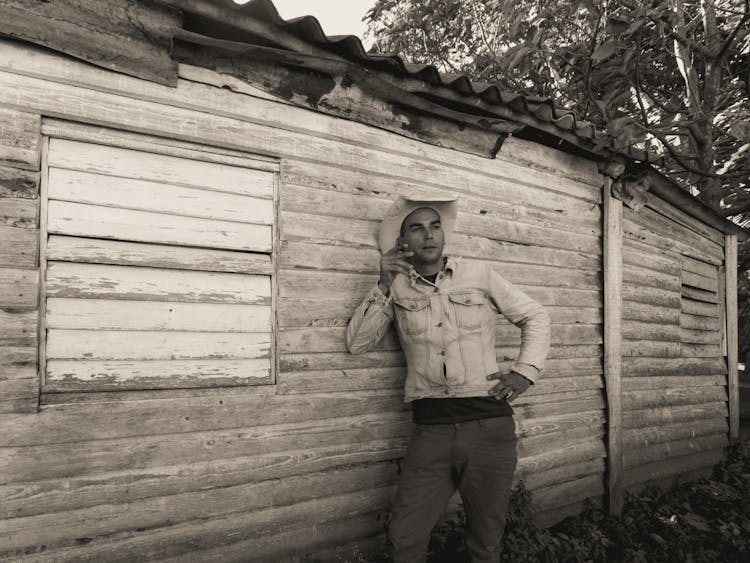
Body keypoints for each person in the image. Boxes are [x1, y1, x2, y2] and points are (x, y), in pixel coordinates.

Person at [345, 196, 551, 562]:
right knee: (404, 538)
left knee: (485, 541)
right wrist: (382, 282)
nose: (429, 235)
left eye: (435, 225)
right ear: (402, 240)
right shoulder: (396, 289)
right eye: (417, 227)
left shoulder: (480, 276)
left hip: (489, 427)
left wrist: (525, 372)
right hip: (431, 431)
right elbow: (357, 344)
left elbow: (536, 317)